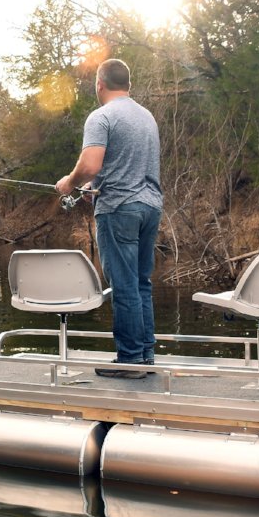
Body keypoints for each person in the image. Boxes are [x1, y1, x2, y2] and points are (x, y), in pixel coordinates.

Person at [55, 59, 162, 378]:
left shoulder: (101, 117)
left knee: (124, 285)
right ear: (127, 84)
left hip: (119, 210)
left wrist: (70, 183)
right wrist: (93, 188)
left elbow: (90, 164)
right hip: (150, 207)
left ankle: (129, 361)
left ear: (100, 84)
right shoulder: (147, 117)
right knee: (142, 283)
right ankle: (145, 357)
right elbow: (124, 164)